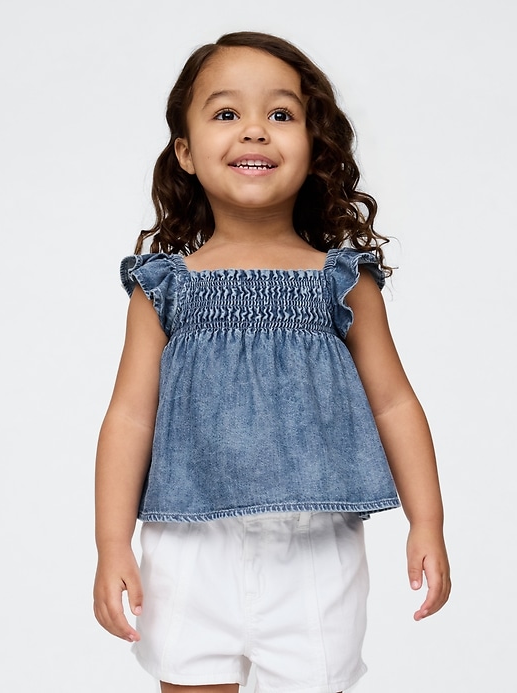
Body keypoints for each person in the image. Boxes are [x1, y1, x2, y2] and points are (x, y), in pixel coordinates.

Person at [93, 31, 451, 693]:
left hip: (314, 550)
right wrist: (111, 543)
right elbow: (130, 417)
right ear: (186, 152)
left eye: (281, 114)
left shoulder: (342, 281)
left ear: (313, 148)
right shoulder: (163, 287)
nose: (255, 130)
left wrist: (427, 520)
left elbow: (394, 402)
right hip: (189, 545)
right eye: (227, 113)